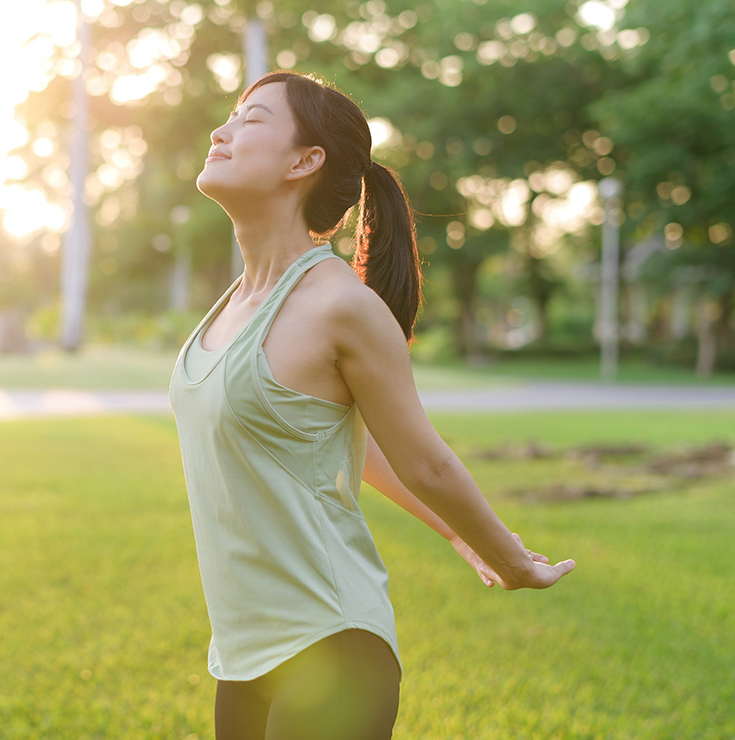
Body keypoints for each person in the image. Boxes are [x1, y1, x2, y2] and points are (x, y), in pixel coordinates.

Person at [167, 71, 576, 740]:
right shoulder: (236, 302)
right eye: (230, 117)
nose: (222, 131)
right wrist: (452, 533)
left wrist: (507, 558)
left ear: (306, 161)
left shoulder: (342, 307)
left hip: (331, 643)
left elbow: (427, 463)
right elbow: (348, 447)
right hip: (241, 657)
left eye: (252, 119)